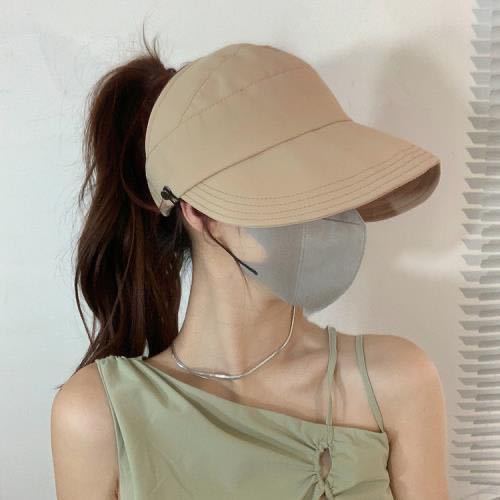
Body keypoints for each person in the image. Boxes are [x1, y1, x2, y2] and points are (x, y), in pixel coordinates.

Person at [51, 35, 449, 499]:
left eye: (330, 183)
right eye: (286, 184)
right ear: (198, 210)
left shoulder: (396, 382)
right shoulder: (99, 416)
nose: (323, 210)